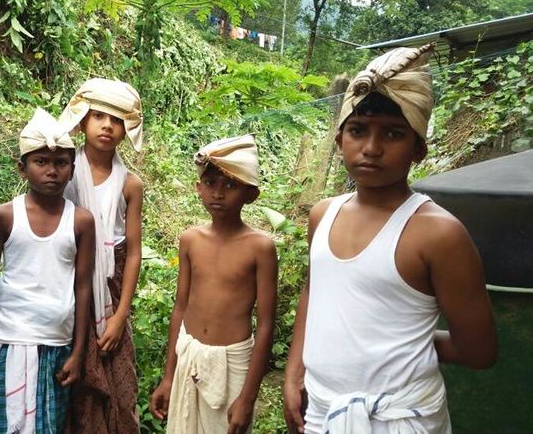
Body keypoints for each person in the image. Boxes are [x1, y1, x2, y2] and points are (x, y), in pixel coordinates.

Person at [282, 44, 498, 434]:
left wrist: (405, 344)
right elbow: (314, 292)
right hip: (321, 411)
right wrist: (295, 370)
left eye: (394, 134)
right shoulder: (322, 214)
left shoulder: (438, 234)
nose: (371, 148)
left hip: (400, 419)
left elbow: (479, 351)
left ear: (419, 149)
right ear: (339, 139)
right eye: (358, 130)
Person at [149, 134, 278, 434]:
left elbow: (266, 326)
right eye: (210, 183)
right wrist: (168, 377)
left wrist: (247, 397)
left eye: (231, 185)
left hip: (233, 362)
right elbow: (181, 307)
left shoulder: (260, 247)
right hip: (189, 356)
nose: (218, 193)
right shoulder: (190, 240)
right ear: (198, 188)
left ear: (250, 194)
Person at [0, 108, 94, 433]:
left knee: (50, 426)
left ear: (72, 170)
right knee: (4, 425)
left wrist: (78, 352)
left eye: (60, 163)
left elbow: (82, 286)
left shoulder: (81, 221)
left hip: (58, 345)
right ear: (22, 168)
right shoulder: (5, 217)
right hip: (9, 343)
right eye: (40, 162)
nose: (51, 171)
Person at [57, 78, 145, 433]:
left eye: (117, 119)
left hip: (110, 292)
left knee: (116, 381)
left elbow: (133, 253)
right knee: (70, 380)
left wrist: (120, 316)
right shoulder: (62, 172)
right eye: (98, 116)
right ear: (81, 121)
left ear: (127, 129)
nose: (107, 126)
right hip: (67, 287)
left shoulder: (129, 184)